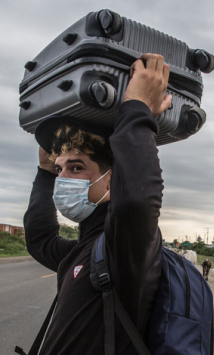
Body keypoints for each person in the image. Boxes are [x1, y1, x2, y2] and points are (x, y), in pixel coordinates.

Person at [24, 53, 171, 354]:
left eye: (76, 168)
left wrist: (137, 109)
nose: (62, 178)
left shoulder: (125, 249)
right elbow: (40, 240)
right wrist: (43, 172)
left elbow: (137, 202)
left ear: (111, 179)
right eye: (59, 169)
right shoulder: (89, 249)